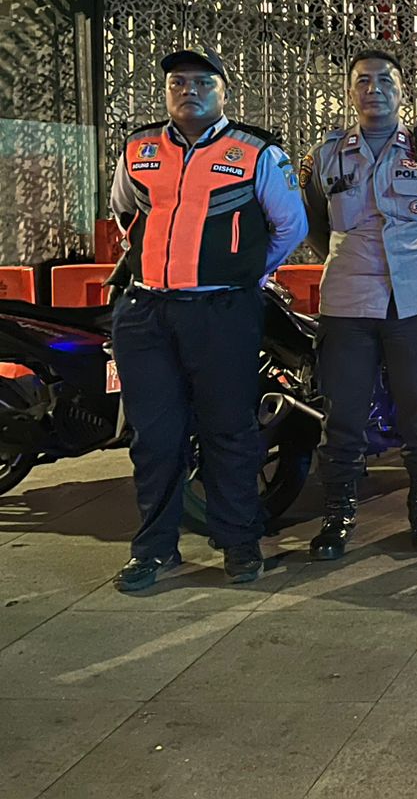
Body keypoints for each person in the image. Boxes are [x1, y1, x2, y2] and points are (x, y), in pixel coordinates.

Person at [109, 49, 308, 592]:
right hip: (147, 312)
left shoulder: (256, 152)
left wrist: (242, 273)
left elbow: (290, 227)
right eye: (178, 82)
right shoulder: (140, 148)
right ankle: (154, 549)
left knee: (229, 431)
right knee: (154, 437)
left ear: (224, 92)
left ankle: (239, 543)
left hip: (222, 312)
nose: (188, 91)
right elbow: (124, 210)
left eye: (202, 82)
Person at [299, 47, 417, 558]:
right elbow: (313, 221)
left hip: (413, 302)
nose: (375, 90)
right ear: (350, 92)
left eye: (385, 82)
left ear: (401, 92)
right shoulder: (326, 155)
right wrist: (351, 256)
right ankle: (338, 515)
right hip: (348, 300)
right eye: (364, 81)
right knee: (342, 414)